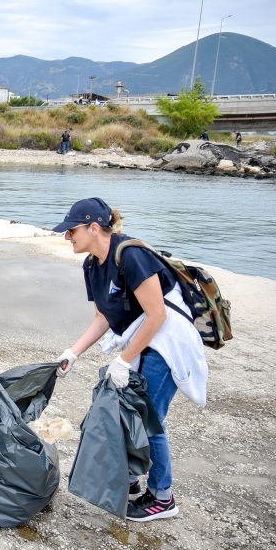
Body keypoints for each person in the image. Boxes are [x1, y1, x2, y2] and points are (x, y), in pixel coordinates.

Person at [54, 197, 208, 522]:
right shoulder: (91, 266)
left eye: (72, 230)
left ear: (94, 228)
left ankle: (163, 497)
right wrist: (73, 352)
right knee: (124, 413)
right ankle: (132, 480)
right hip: (141, 339)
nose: (67, 236)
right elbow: (103, 318)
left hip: (167, 341)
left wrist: (123, 360)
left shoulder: (131, 255)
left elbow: (157, 315)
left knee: (148, 418)